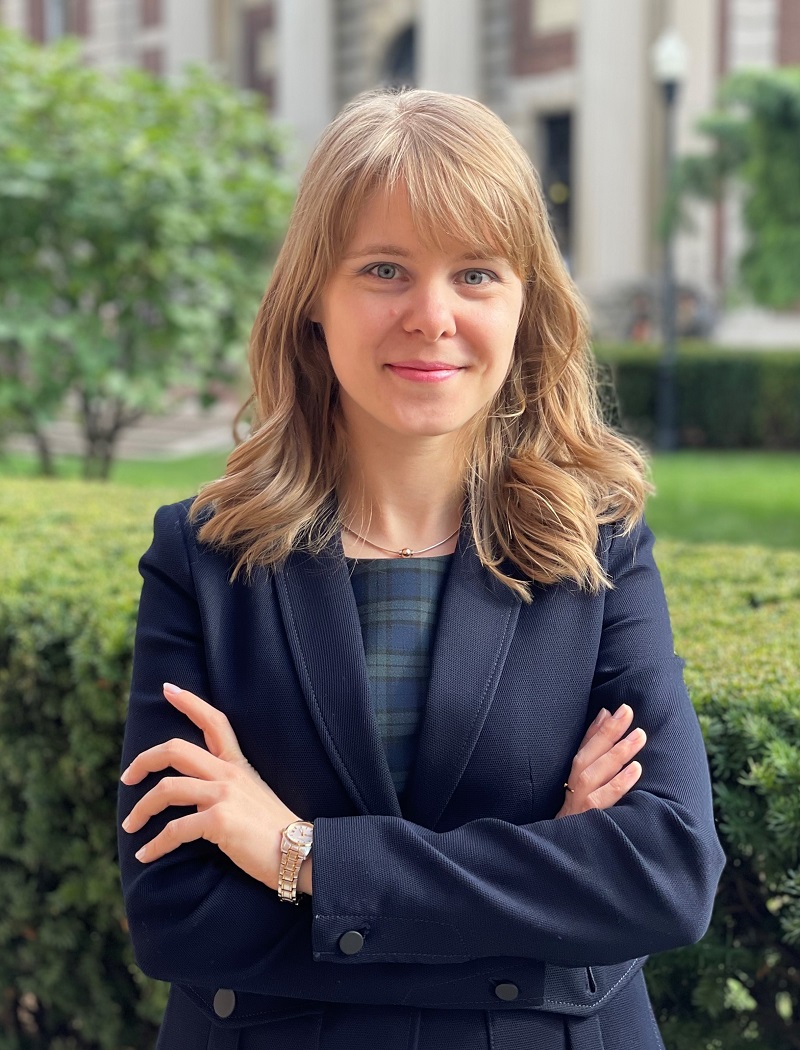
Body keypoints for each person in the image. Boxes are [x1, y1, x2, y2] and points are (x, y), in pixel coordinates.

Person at [117, 88, 725, 1050]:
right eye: (386, 269)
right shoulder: (204, 558)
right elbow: (179, 912)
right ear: (315, 298)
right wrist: (548, 878)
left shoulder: (598, 546)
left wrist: (299, 856)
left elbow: (666, 876)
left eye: (477, 273)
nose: (431, 316)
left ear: (527, 304)